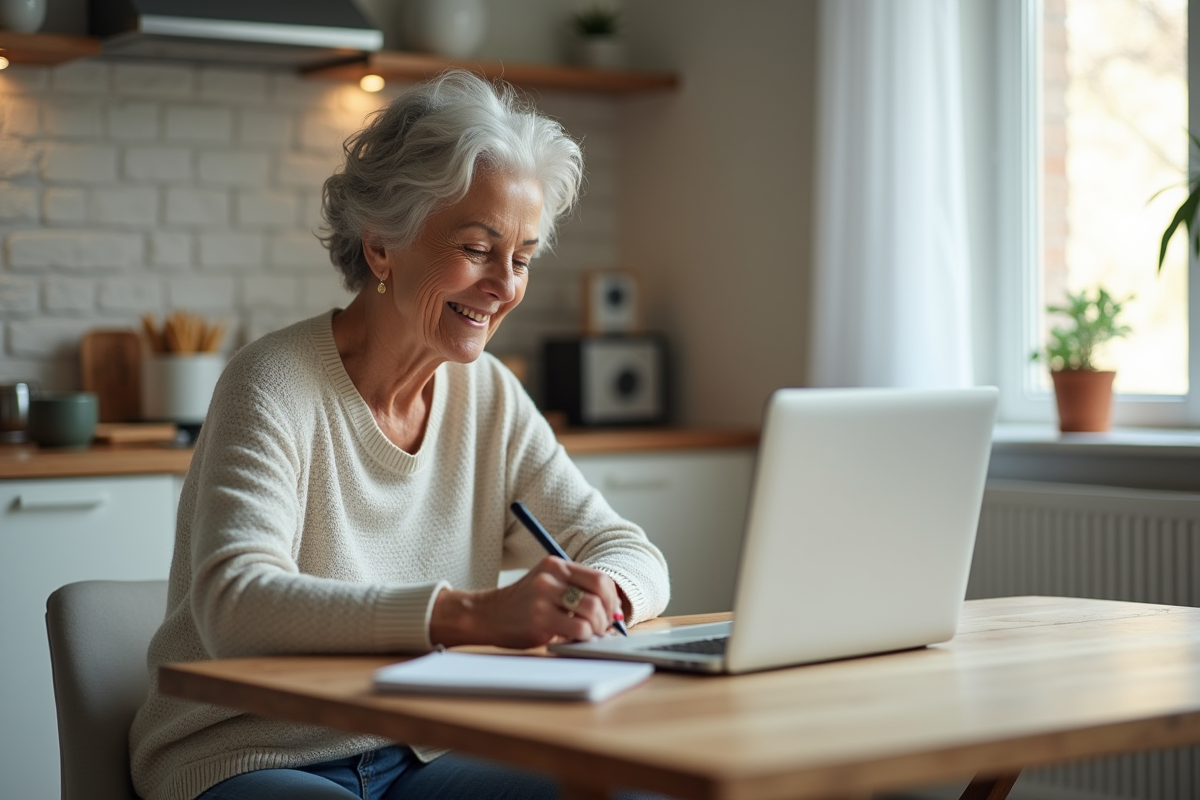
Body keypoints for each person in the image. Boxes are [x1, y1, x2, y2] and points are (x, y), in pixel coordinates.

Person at [129, 70, 671, 800]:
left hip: (422, 747)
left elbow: (630, 551)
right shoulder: (273, 382)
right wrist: (475, 616)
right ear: (381, 246)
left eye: (521, 258)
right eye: (477, 248)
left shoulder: (489, 396)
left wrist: (601, 598)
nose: (505, 286)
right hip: (251, 751)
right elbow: (237, 604)